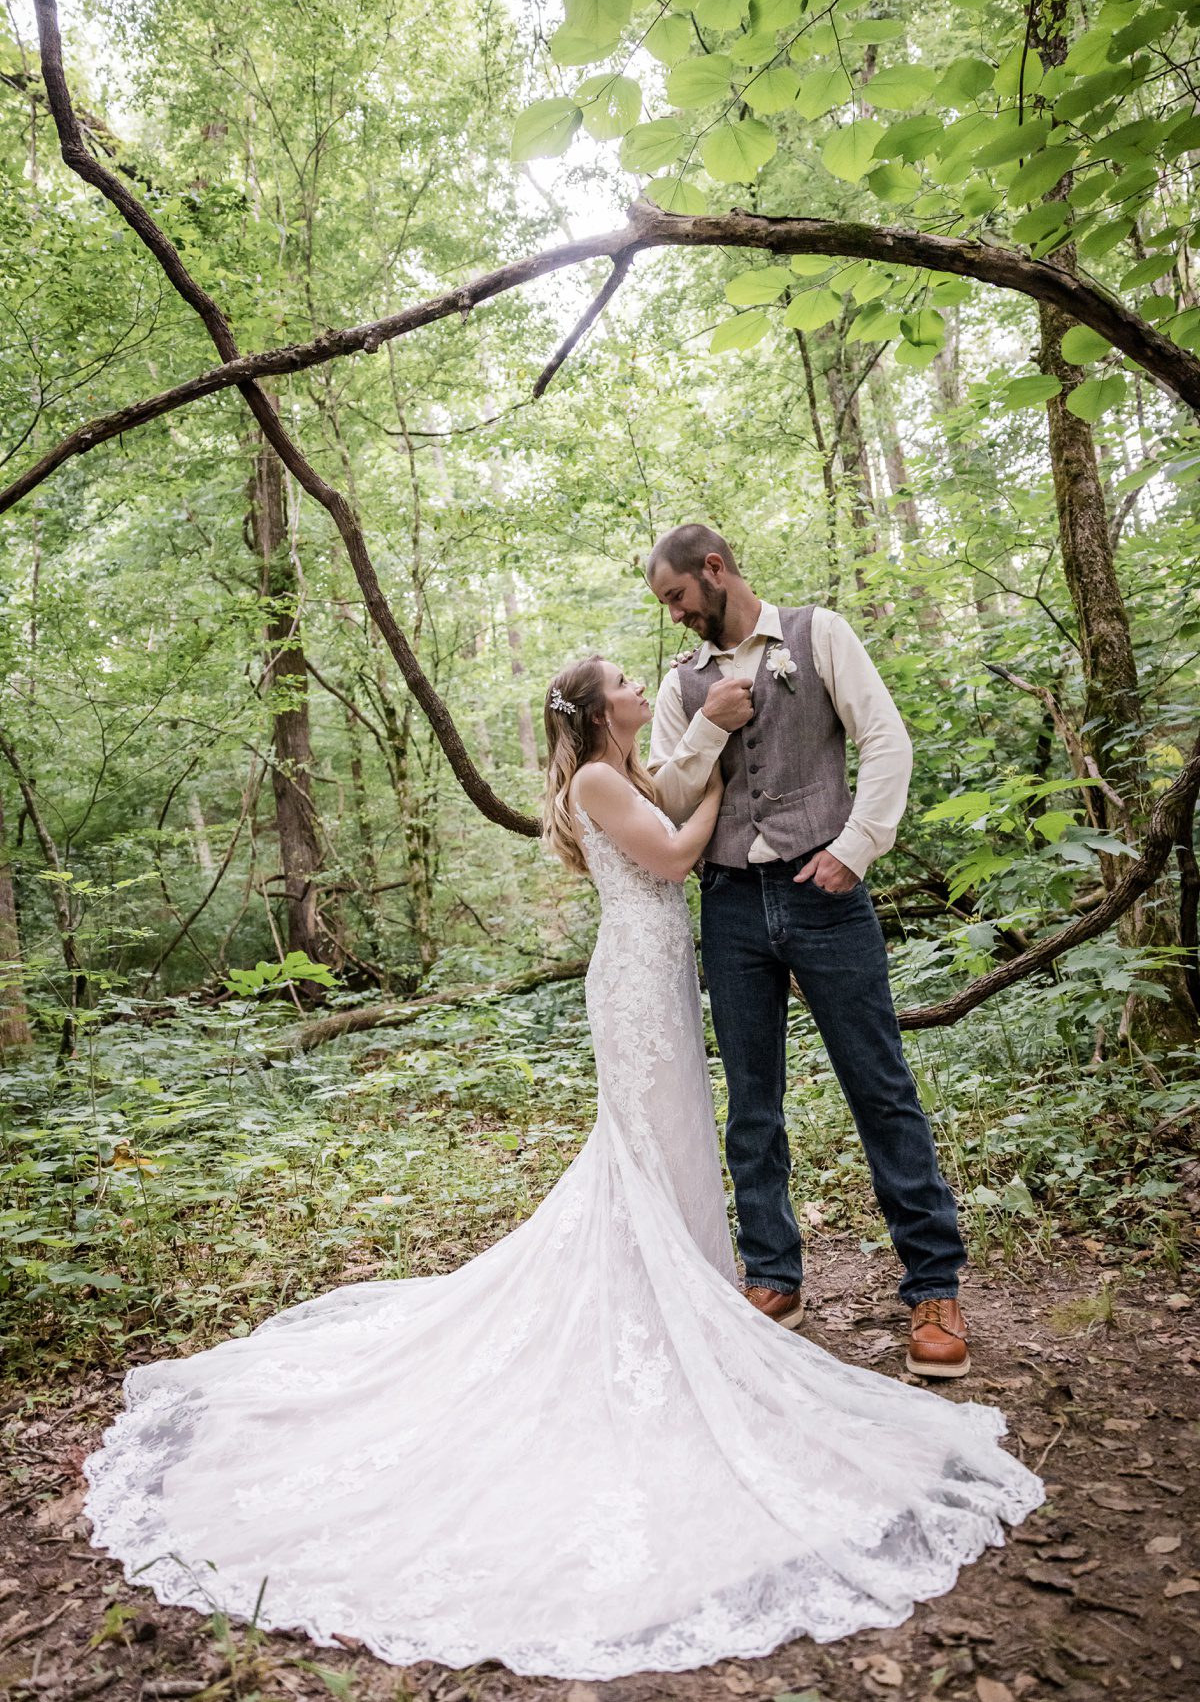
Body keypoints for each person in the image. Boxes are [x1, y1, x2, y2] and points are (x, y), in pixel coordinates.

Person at [81, 654, 1042, 1680]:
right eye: (626, 679)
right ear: (594, 711)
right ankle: (659, 1303)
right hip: (633, 980)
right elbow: (674, 857)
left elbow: (671, 796)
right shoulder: (594, 778)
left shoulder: (628, 762)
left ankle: (691, 1291)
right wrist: (724, 767)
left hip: (661, 977)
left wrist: (703, 753)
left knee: (673, 1144)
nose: (642, 682)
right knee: (648, 1146)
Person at [645, 524, 971, 1379]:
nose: (676, 616)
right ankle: (775, 1278)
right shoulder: (681, 685)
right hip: (729, 907)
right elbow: (669, 794)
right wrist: (710, 726)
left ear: (715, 569)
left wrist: (857, 845)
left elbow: (885, 739)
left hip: (825, 891)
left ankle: (934, 1287)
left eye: (678, 596)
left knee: (880, 1084)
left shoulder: (818, 633)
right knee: (752, 1102)